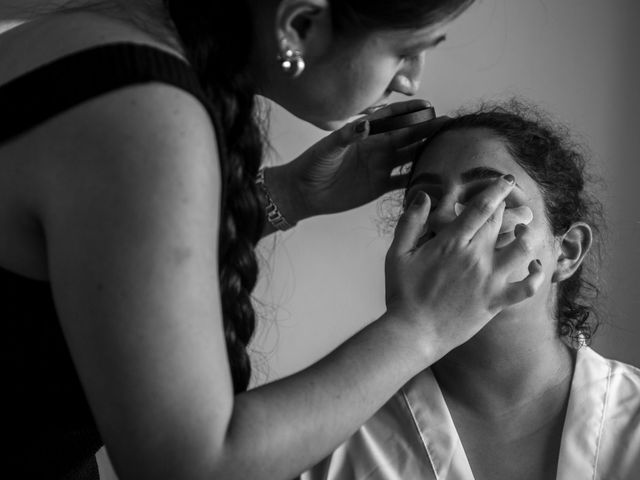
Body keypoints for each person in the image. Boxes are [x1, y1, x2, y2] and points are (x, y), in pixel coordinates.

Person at [0, 2, 545, 479]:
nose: (410, 79)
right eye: (405, 50)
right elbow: (193, 465)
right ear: (300, 22)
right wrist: (420, 326)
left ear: (568, 249)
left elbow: (99, 253)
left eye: (489, 204)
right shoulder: (139, 115)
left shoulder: (106, 44)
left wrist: (290, 195)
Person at [301, 100, 640, 480]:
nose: (443, 216)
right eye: (422, 201)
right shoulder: (329, 439)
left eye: (486, 198)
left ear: (568, 251)